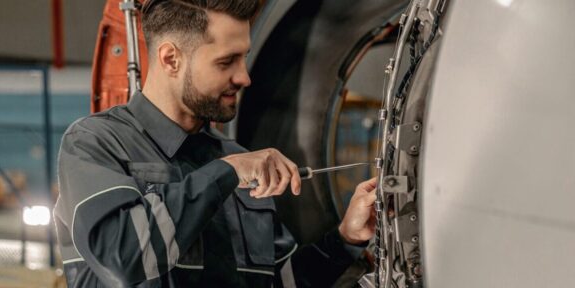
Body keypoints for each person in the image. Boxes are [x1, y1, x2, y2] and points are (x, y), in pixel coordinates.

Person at [53, 0, 378, 287]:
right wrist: (226, 173)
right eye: (227, 62)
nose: (244, 77)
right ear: (170, 59)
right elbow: (125, 257)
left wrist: (344, 239)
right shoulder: (96, 144)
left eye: (244, 58)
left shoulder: (233, 159)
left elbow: (281, 281)